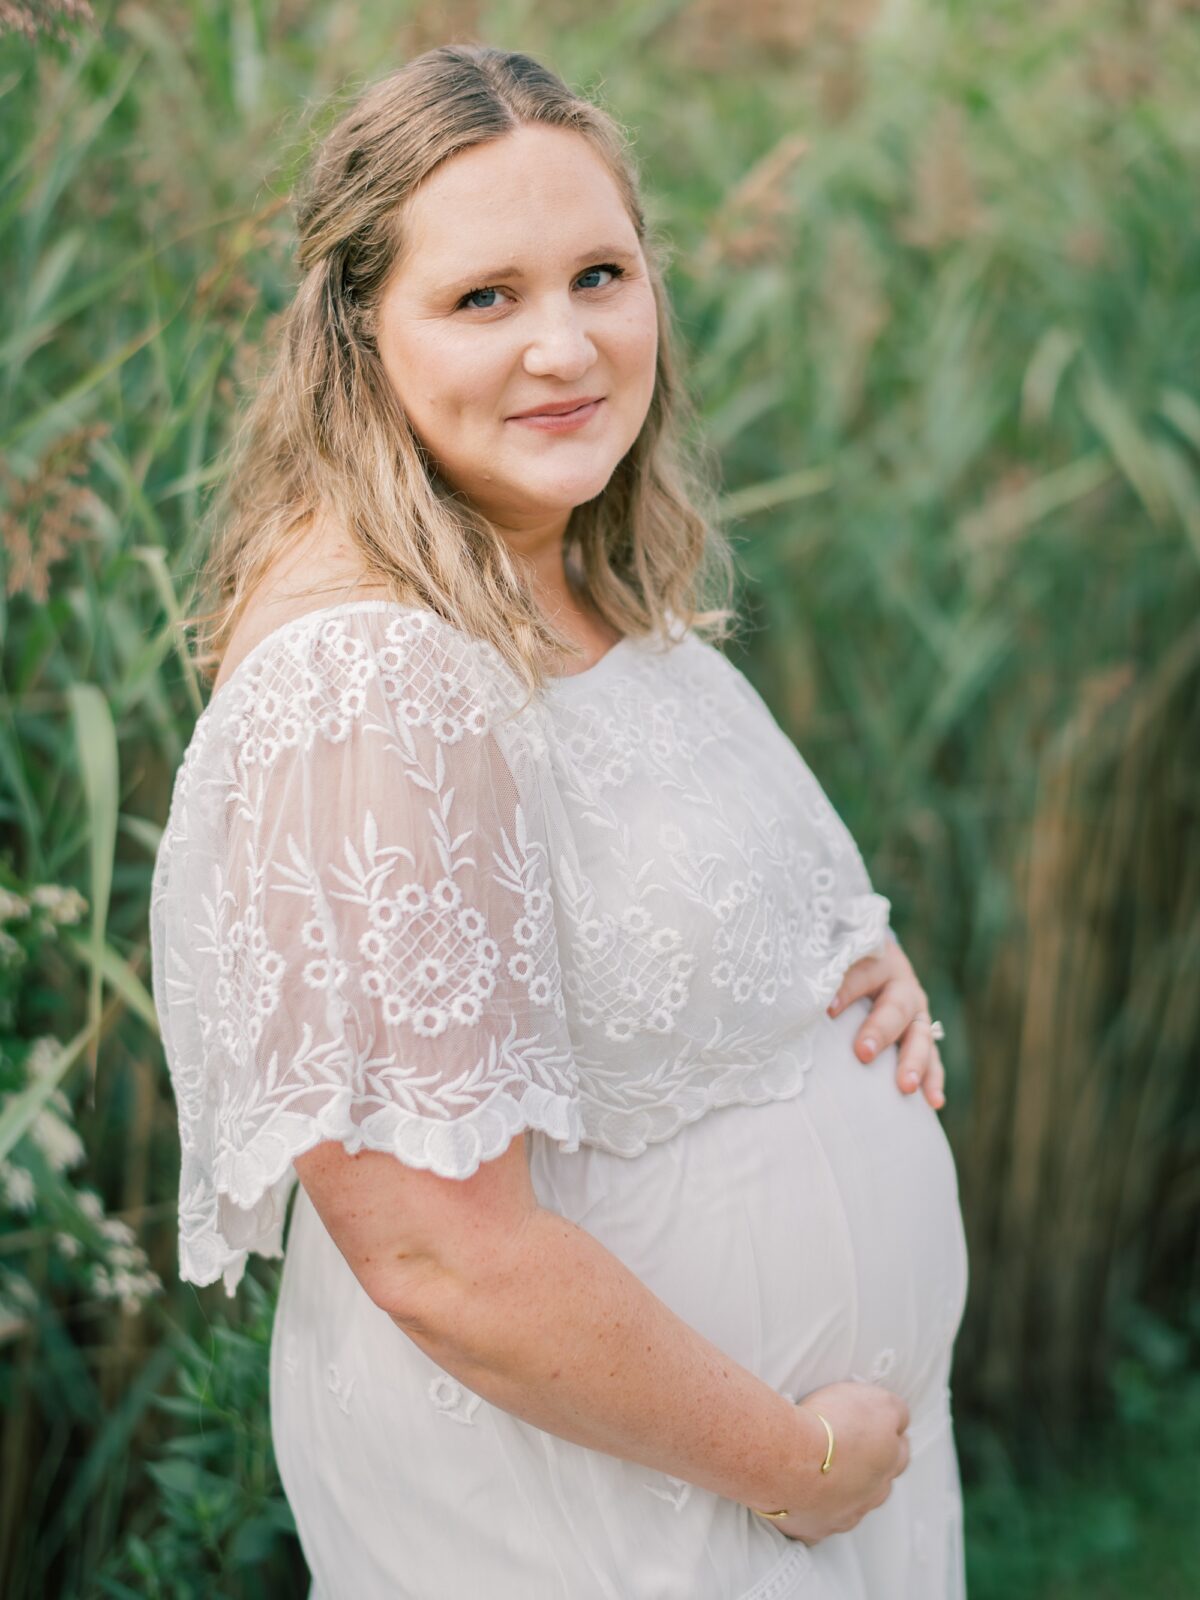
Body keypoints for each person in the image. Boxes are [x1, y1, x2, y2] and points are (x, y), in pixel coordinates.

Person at [149, 43, 968, 1600]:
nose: (566, 345)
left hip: (774, 1497)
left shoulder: (573, 572)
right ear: (356, 335)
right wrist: (801, 1472)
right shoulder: (370, 676)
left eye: (600, 274)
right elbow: (441, 1259)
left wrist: (841, 975)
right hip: (615, 1521)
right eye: (485, 298)